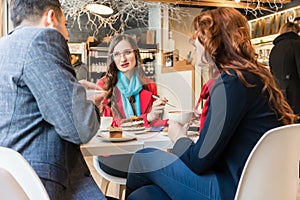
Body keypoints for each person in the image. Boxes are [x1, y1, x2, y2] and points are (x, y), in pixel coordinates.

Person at [125, 8, 299, 200]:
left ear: (213, 42)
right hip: (259, 188)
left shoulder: (231, 82)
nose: (193, 44)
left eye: (198, 38)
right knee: (145, 195)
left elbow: (198, 161)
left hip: (232, 189)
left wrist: (178, 136)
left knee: (143, 158)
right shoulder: (254, 77)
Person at [0, 0, 107, 199]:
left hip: (12, 179)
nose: (66, 36)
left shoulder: (4, 46)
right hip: (40, 181)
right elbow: (78, 127)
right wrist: (92, 104)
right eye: (65, 25)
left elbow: (25, 102)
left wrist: (74, 88)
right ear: (51, 18)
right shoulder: (43, 38)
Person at [95, 34, 168, 178]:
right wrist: (148, 116)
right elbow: (112, 127)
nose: (122, 59)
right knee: (154, 169)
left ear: (136, 54)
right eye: (117, 54)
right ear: (112, 58)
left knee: (166, 164)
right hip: (114, 153)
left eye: (127, 52)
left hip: (142, 148)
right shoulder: (104, 86)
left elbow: (153, 126)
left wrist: (171, 121)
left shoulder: (149, 85)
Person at [269, 21, 300, 118]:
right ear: (297, 31)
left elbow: (272, 74)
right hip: (297, 98)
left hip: (281, 98)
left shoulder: (274, 49)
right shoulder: (297, 45)